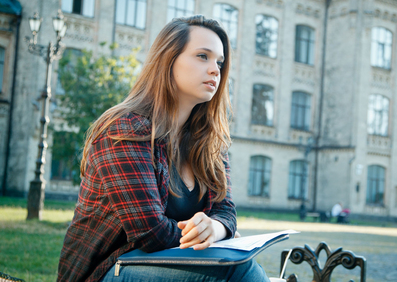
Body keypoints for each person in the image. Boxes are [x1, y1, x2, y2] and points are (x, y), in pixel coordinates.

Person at [57, 15, 270, 282]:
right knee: (236, 269)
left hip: (170, 261)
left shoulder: (209, 139)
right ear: (168, 60)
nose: (215, 69)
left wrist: (215, 228)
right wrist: (213, 235)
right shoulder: (124, 130)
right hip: (105, 271)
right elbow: (151, 233)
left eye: (219, 61)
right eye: (202, 56)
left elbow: (225, 211)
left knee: (241, 265)